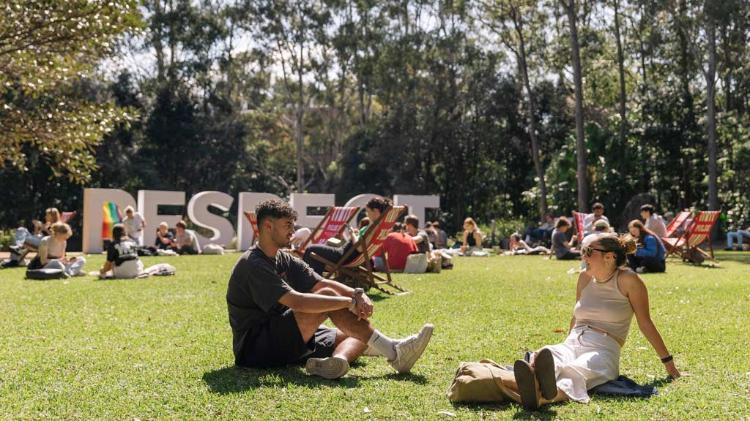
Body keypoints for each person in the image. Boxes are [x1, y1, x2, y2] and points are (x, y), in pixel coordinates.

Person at [226, 199, 434, 379]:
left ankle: (336, 362)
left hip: (282, 334)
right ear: (268, 226)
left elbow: (321, 283)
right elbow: (297, 301)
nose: (293, 230)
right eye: (287, 225)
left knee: (357, 334)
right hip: (256, 348)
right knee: (328, 300)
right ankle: (395, 352)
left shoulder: (283, 258)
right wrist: (346, 301)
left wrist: (356, 293)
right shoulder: (254, 264)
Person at [506, 233, 680, 410]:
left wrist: (669, 365)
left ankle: (542, 397)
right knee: (547, 353)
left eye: (589, 251)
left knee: (576, 370)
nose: (584, 256)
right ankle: (536, 380)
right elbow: (576, 315)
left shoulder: (629, 280)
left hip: (603, 348)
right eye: (583, 250)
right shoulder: (584, 277)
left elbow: (645, 324)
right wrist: (567, 344)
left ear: (609, 257)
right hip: (574, 342)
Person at [303, 197, 392, 275]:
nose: (367, 214)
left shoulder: (373, 228)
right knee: (318, 251)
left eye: (368, 211)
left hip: (344, 255)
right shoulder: (378, 226)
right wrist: (357, 234)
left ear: (375, 211)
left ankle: (310, 279)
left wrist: (352, 233)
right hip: (346, 253)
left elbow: (360, 248)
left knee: (310, 250)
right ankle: (315, 279)